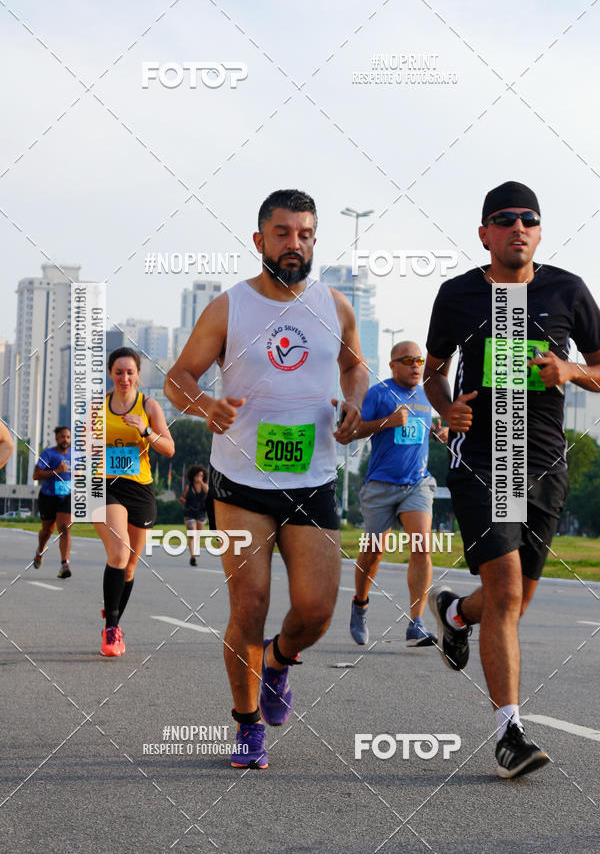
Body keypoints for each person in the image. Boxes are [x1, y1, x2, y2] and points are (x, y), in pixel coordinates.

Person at [165, 188, 369, 770]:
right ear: (260, 241)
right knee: (248, 605)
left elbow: (354, 367)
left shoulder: (335, 306)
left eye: (305, 234)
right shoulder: (230, 308)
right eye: (282, 233)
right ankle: (248, 723)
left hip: (313, 480)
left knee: (315, 611)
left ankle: (278, 660)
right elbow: (178, 377)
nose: (294, 244)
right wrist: (207, 406)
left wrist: (353, 403)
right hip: (240, 484)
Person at [424, 180, 600, 778]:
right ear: (484, 234)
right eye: (503, 219)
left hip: (546, 460)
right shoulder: (457, 295)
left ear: (540, 230)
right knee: (504, 592)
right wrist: (445, 408)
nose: (516, 227)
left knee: (515, 601)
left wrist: (572, 369)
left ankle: (453, 616)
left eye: (528, 218)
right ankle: (509, 733)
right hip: (483, 458)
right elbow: (433, 371)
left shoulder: (567, 290)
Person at [350, 341, 448, 647]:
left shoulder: (427, 393)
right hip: (380, 484)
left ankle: (415, 623)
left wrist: (438, 432)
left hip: (417, 482)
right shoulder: (379, 393)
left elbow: (424, 428)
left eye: (419, 360)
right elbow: (354, 430)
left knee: (422, 546)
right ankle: (360, 604)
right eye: (408, 360)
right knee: (373, 553)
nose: (416, 365)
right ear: (393, 365)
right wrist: (387, 422)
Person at [94, 348, 174, 656]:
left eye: (130, 372)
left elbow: (169, 448)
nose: (124, 378)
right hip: (106, 486)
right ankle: (111, 632)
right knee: (119, 551)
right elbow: (86, 450)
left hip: (140, 488)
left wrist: (145, 431)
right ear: (110, 374)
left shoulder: (149, 406)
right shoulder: (98, 407)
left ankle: (113, 619)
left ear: (138, 374)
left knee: (129, 568)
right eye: (118, 372)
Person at [32, 426, 73, 578]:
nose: (65, 440)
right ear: (56, 438)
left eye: (68, 437)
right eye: (62, 437)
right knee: (47, 531)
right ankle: (39, 551)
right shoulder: (48, 454)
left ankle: (64, 564)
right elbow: (36, 475)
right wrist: (57, 470)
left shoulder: (75, 455)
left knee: (65, 528)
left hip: (66, 496)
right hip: (48, 496)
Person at [179, 464, 208, 566]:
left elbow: (208, 492)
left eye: (201, 475)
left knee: (197, 535)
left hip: (201, 513)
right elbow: (183, 498)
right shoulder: (188, 487)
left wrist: (202, 482)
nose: (199, 477)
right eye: (197, 475)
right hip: (189, 512)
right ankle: (193, 557)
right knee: (192, 535)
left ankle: (194, 553)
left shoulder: (205, 486)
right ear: (193, 476)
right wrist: (182, 500)